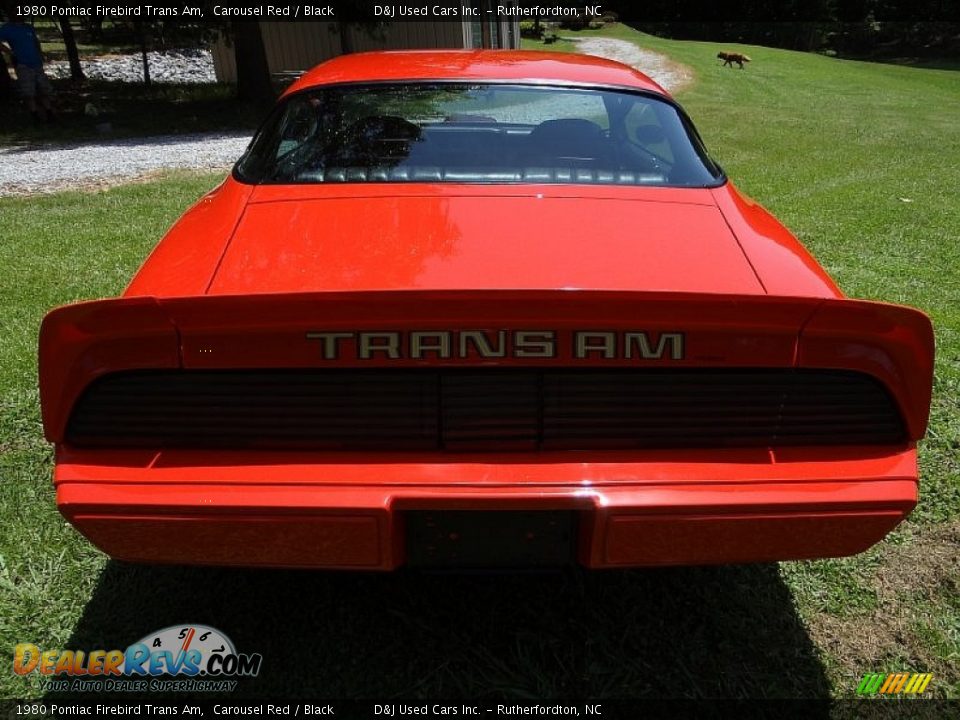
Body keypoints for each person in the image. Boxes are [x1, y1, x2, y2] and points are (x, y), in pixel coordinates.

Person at [0, 18, 55, 122]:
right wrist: (10, 52)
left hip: (36, 63)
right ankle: (34, 116)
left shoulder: (28, 27)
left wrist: (40, 54)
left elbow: (35, 42)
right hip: (22, 64)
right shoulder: (6, 28)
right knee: (28, 92)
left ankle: (49, 113)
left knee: (44, 89)